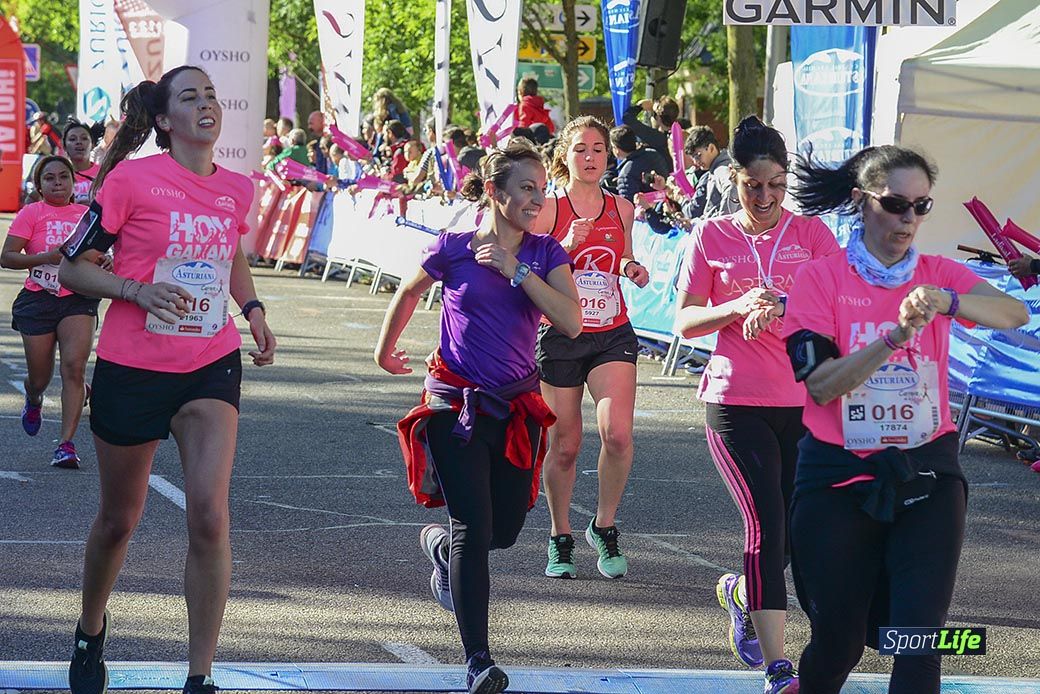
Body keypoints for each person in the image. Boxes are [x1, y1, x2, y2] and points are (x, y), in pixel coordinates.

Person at [58, 65, 277, 694]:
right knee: (117, 520)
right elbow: (73, 268)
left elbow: (230, 252)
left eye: (211, 95)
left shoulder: (237, 188)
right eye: (190, 97)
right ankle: (90, 627)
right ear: (163, 119)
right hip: (133, 367)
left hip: (210, 363)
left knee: (209, 515)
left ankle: (199, 676)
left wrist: (252, 310)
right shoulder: (130, 180)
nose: (207, 104)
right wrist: (136, 290)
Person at [783, 145, 1028, 693]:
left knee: (920, 641)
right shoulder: (821, 279)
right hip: (838, 475)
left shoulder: (937, 275)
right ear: (861, 201)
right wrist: (894, 338)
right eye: (895, 204)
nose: (908, 218)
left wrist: (947, 301)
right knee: (839, 642)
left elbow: (1015, 312)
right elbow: (821, 385)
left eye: (922, 206)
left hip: (927, 472)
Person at [375, 141, 580, 693]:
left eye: (542, 189)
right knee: (471, 524)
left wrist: (517, 272)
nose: (537, 199)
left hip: (515, 407)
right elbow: (410, 290)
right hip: (454, 403)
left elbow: (571, 321)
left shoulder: (546, 253)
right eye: (526, 188)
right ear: (493, 191)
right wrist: (384, 349)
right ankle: (478, 660)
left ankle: (443, 552)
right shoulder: (454, 248)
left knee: (504, 528)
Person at [674, 115, 840, 693]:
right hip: (735, 403)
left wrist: (785, 304)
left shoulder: (812, 235)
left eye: (775, 185)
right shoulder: (711, 235)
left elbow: (838, 310)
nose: (765, 197)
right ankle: (778, 669)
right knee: (766, 523)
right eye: (752, 185)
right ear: (733, 179)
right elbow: (685, 320)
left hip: (804, 405)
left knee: (796, 531)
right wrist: (736, 305)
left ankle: (742, 592)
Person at [531, 116, 650, 581]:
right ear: (565, 155)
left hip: (611, 331)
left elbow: (621, 256)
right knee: (565, 445)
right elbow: (529, 271)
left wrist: (631, 268)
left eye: (598, 149)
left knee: (617, 434)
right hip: (560, 331)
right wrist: (563, 243)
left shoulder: (621, 207)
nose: (590, 157)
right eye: (581, 149)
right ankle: (559, 535)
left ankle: (603, 525)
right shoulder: (549, 208)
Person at [1, 156, 105, 469]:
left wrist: (106, 261)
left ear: (74, 182)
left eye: (63, 177)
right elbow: (7, 257)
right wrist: (45, 257)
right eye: (50, 178)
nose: (58, 183)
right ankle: (33, 399)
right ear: (39, 184)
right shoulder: (32, 212)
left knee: (74, 368)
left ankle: (65, 445)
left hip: (78, 299)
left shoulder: (87, 215)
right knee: (39, 378)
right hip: (39, 300)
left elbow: (102, 254)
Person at [682, 125, 735, 221]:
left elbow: (731, 187)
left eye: (698, 156)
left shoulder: (721, 169)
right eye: (693, 158)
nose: (696, 162)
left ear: (711, 148)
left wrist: (722, 222)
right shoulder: (714, 170)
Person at [63, 121, 102, 204]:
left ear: (93, 144)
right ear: (64, 146)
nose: (78, 142)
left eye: (84, 138)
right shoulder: (58, 175)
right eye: (72, 139)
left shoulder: (104, 174)